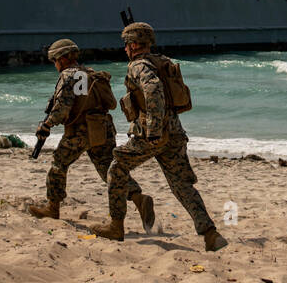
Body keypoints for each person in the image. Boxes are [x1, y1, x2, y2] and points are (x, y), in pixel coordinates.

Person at [91, 22, 227, 251]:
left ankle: (116, 226)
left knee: (116, 169)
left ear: (134, 45)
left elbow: (153, 89)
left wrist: (153, 128)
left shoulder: (138, 66)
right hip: (175, 132)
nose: (125, 50)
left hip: (152, 134)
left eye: (126, 45)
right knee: (181, 186)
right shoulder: (161, 61)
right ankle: (211, 235)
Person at [28, 39, 154, 227]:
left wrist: (47, 125)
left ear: (62, 59)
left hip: (80, 130)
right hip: (103, 127)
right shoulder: (91, 74)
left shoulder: (68, 75)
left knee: (59, 164)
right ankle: (139, 198)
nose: (55, 64)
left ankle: (52, 207)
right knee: (107, 169)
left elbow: (63, 106)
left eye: (55, 60)